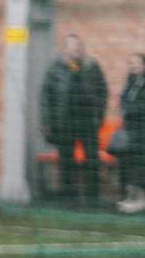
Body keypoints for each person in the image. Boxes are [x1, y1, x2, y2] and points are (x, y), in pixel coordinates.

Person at [40, 34, 107, 206]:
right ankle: (68, 198)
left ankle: (92, 199)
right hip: (64, 122)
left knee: (91, 159)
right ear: (65, 49)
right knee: (66, 160)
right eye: (72, 46)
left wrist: (99, 116)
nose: (76, 49)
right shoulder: (55, 69)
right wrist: (47, 122)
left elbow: (102, 91)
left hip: (87, 121)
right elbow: (46, 97)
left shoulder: (91, 66)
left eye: (78, 46)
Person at [116, 54, 145, 213]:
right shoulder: (130, 82)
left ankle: (141, 200)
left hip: (142, 130)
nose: (132, 66)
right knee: (130, 163)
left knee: (140, 164)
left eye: (136, 63)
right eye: (131, 63)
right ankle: (131, 197)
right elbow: (123, 100)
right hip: (130, 130)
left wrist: (129, 110)